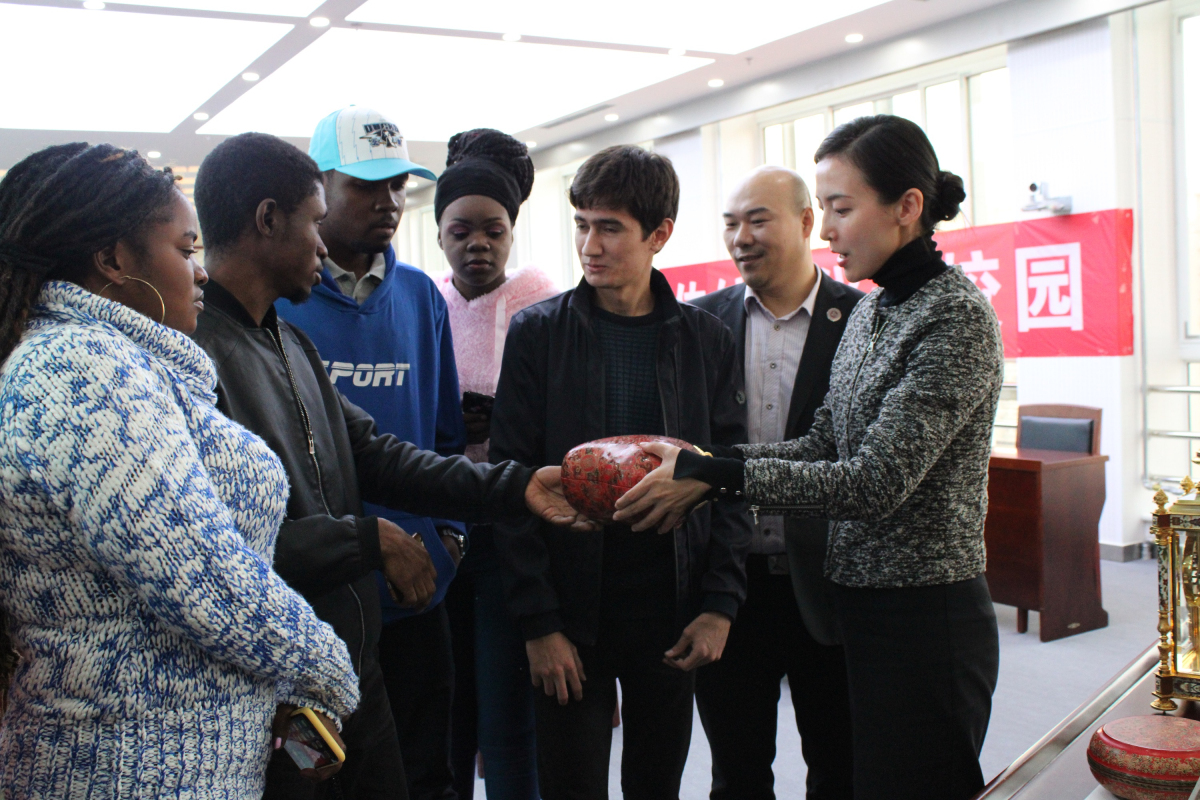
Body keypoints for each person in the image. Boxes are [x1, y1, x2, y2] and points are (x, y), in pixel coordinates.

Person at [190, 132, 590, 800]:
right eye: (313, 223)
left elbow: (379, 454)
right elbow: (220, 550)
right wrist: (367, 541)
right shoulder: (194, 363)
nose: (322, 247)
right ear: (267, 221)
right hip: (279, 683)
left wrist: (517, 486)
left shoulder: (287, 341)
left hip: (356, 657)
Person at [615, 115, 1003, 800]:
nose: (827, 230)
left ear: (907, 207)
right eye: (823, 209)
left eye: (841, 209)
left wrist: (717, 475)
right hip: (861, 611)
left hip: (925, 619)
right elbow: (823, 442)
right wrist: (703, 463)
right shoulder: (876, 313)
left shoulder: (953, 317)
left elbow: (875, 481)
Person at [0, 143, 359, 797]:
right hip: (128, 769)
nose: (200, 274)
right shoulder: (83, 368)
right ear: (113, 260)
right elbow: (201, 575)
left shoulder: (120, 364)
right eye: (185, 250)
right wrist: (327, 667)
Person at [490, 144, 750, 800]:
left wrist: (719, 605)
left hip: (671, 609)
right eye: (582, 225)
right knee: (570, 785)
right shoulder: (537, 334)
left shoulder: (707, 340)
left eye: (609, 228)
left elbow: (731, 478)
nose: (590, 245)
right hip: (569, 609)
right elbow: (511, 483)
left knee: (656, 786)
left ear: (659, 234)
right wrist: (539, 623)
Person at [274, 106, 467, 800]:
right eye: (365, 185)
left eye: (397, 185)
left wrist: (450, 540)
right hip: (315, 605)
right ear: (319, 187)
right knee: (317, 776)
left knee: (428, 772)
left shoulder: (420, 297)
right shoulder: (281, 302)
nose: (387, 201)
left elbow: (444, 438)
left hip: (418, 595)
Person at [690, 165, 861, 800]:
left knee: (839, 768)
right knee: (736, 773)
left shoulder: (862, 321)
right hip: (728, 589)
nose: (742, 238)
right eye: (731, 224)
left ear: (807, 222)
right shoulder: (699, 323)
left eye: (758, 220)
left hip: (830, 586)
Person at [433, 129, 560, 800]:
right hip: (438, 525)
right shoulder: (426, 302)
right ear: (440, 235)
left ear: (512, 232)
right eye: (461, 232)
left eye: (494, 231)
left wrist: (503, 415)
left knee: (507, 719)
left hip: (513, 528)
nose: (477, 244)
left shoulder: (541, 302)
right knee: (445, 712)